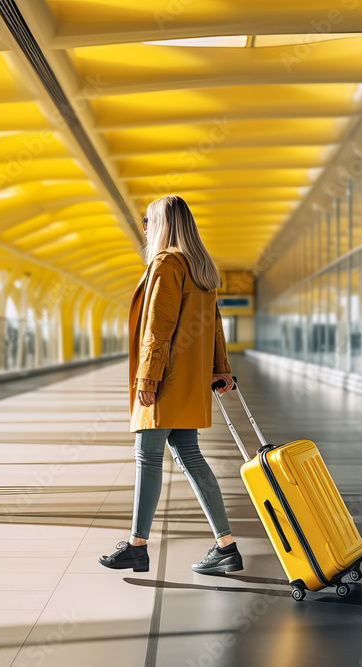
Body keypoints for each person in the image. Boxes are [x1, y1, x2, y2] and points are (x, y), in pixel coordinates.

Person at [99, 194, 241, 576]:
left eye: (147, 222)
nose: (145, 229)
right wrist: (220, 369)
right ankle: (225, 545)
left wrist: (147, 377)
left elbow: (157, 328)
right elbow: (215, 327)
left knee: (147, 457)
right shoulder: (202, 268)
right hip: (189, 381)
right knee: (190, 456)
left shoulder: (167, 263)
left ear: (161, 223)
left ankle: (136, 546)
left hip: (164, 380)